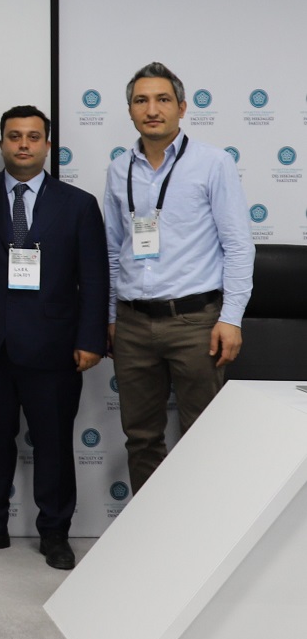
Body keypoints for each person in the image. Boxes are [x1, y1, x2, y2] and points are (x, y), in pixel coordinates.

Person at [0, 105, 106, 571]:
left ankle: (55, 533)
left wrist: (91, 338)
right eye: (14, 136)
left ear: (47, 145)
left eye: (33, 137)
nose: (23, 144)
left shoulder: (78, 204)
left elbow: (94, 278)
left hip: (54, 347)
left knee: (53, 443)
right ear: (1, 143)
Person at [104, 62, 252, 492]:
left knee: (202, 437)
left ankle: (203, 529)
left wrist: (231, 317)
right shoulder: (118, 169)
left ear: (182, 108)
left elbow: (239, 246)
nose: (152, 109)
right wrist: (111, 316)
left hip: (196, 323)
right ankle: (150, 527)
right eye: (141, 100)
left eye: (163, 99)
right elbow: (113, 250)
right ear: (130, 111)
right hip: (132, 324)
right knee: (141, 438)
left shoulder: (213, 163)